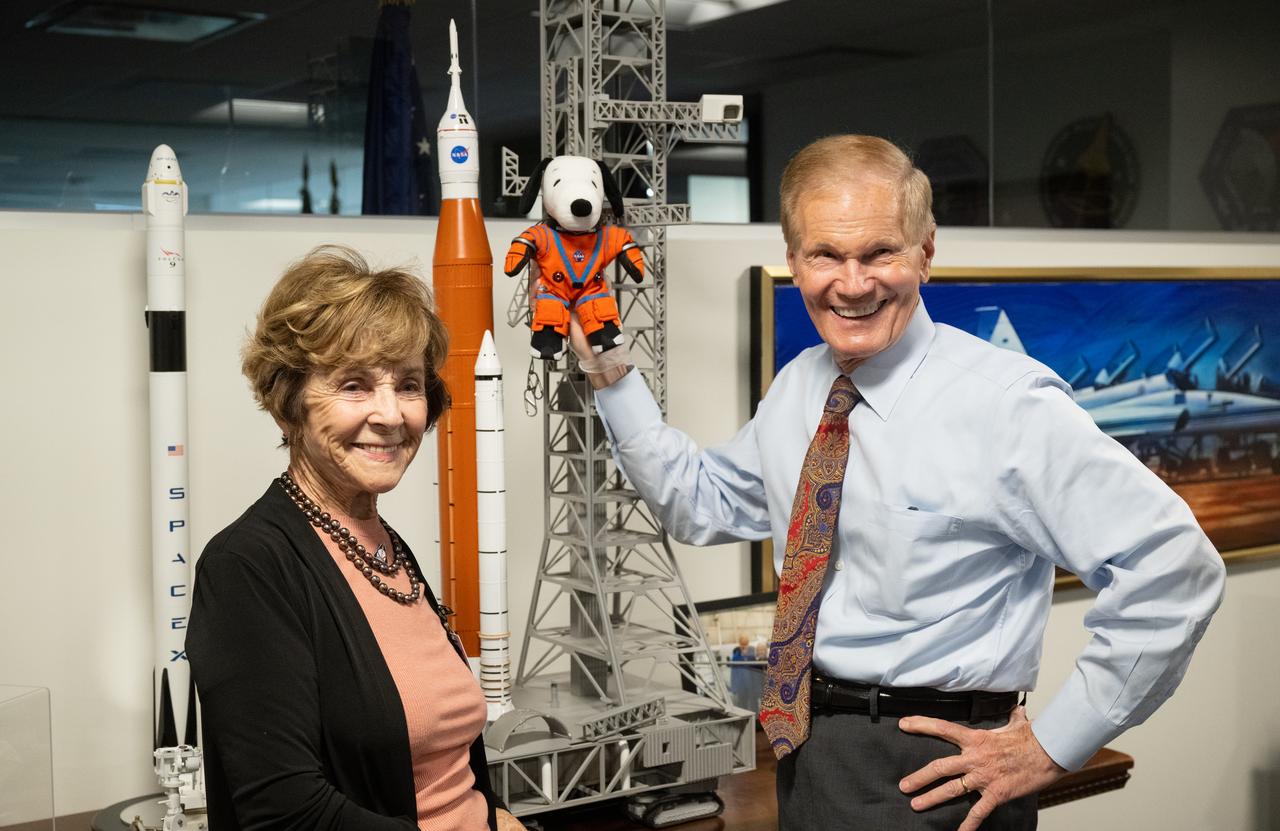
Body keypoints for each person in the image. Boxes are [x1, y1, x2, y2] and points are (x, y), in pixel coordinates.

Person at [572, 135, 1225, 830]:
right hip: (808, 744)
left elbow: (1174, 569)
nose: (852, 284)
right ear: (794, 260)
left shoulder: (1006, 406)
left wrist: (1053, 743)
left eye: (879, 252)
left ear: (925, 253)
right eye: (825, 254)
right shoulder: (799, 388)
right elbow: (702, 504)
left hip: (934, 770)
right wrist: (612, 376)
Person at [186, 246, 525, 830]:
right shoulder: (247, 567)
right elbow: (286, 815)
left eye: (409, 385)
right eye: (354, 385)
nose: (392, 414)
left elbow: (446, 773)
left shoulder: (384, 545)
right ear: (289, 403)